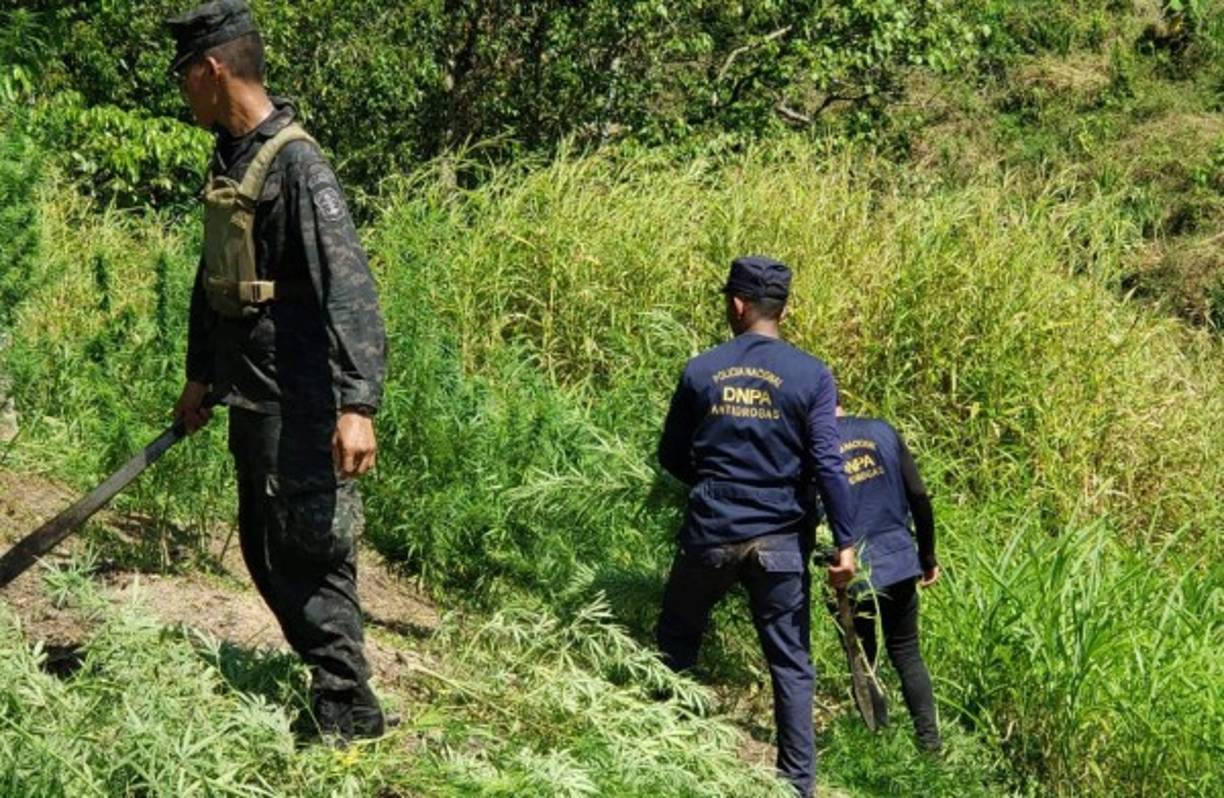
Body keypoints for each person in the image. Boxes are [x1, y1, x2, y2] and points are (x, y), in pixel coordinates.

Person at [165, 0, 388, 742]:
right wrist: (202, 375)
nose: (182, 91)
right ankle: (334, 695)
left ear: (213, 68)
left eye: (185, 77)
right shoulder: (233, 154)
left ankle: (347, 712)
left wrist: (358, 405)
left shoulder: (297, 163)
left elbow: (347, 286)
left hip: (300, 400)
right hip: (252, 393)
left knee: (308, 550)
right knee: (265, 546)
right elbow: (217, 278)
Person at [655, 256, 857, 798]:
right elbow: (828, 463)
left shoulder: (702, 369)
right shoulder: (812, 375)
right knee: (791, 666)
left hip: (712, 530)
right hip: (782, 542)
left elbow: (670, 455)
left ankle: (663, 756)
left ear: (738, 305)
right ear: (782, 309)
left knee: (677, 640)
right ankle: (796, 786)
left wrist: (715, 483)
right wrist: (846, 543)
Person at [836, 405, 942, 752]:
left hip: (850, 570)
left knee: (862, 657)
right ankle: (930, 747)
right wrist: (927, 557)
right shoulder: (882, 430)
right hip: (898, 559)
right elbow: (919, 496)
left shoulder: (814, 443)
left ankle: (878, 744)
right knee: (907, 653)